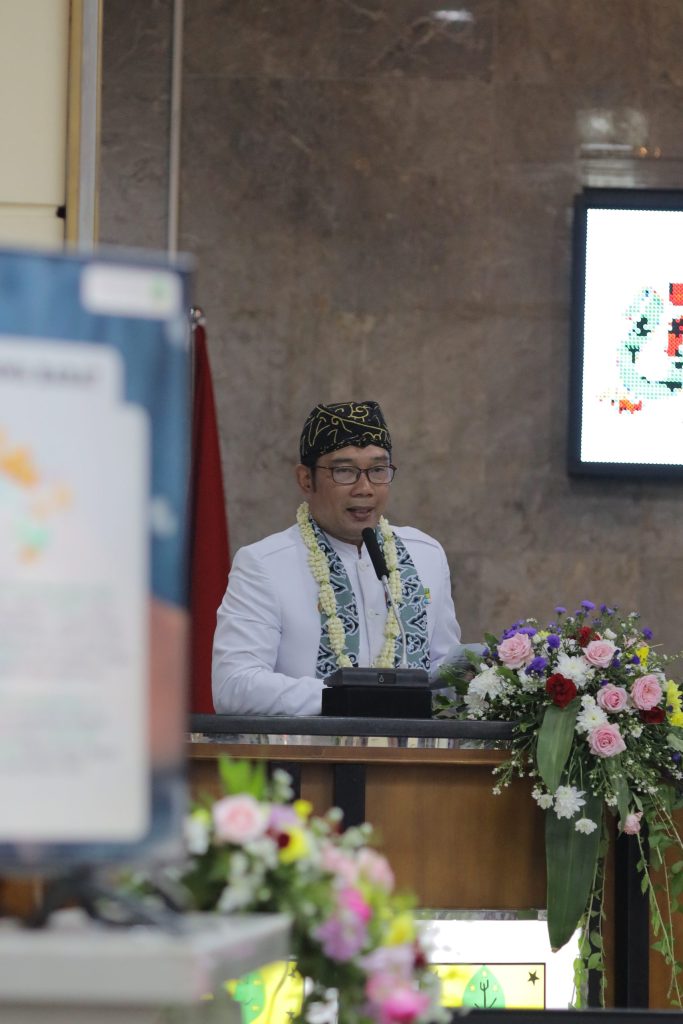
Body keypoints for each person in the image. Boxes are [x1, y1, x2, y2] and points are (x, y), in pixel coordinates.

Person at [212, 401, 462, 715]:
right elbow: (233, 687)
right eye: (345, 471)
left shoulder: (426, 555)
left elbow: (444, 675)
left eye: (377, 470)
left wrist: (484, 674)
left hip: (410, 747)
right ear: (306, 480)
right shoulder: (265, 564)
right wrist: (351, 698)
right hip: (313, 747)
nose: (365, 488)